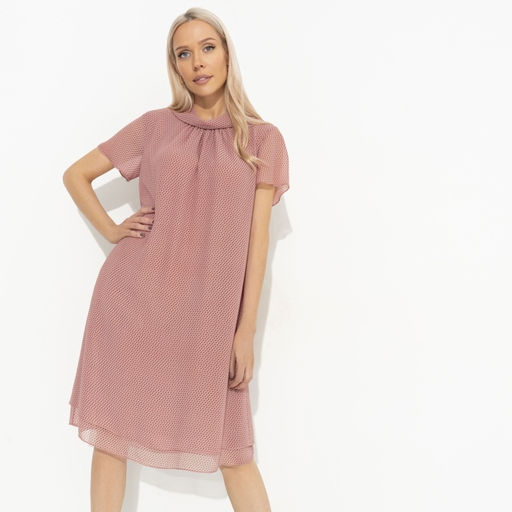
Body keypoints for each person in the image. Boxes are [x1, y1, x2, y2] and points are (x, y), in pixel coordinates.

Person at [63, 7, 289, 511]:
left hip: (209, 316)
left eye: (207, 47)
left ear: (226, 53)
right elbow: (76, 175)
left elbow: (258, 243)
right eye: (183, 54)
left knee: (232, 449)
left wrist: (245, 330)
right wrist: (111, 229)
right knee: (112, 433)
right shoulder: (154, 127)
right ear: (175, 66)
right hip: (134, 302)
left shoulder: (262, 140)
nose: (197, 62)